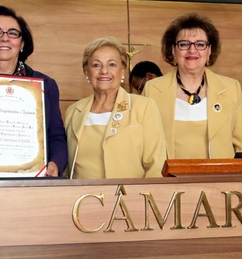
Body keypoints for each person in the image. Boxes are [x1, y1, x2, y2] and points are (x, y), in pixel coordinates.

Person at [142, 12, 242, 159]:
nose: (192, 50)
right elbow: (143, 143)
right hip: (167, 180)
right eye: (184, 44)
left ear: (209, 51)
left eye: (200, 44)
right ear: (173, 50)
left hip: (220, 179)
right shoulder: (152, 90)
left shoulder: (231, 89)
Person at [0, 5, 67, 176]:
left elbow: (56, 137)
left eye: (13, 33)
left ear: (21, 43)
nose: (5, 38)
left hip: (29, 184)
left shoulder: (45, 85)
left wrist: (55, 163)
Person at [65, 38, 166, 179]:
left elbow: (156, 166)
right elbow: (67, 168)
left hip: (130, 199)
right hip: (83, 199)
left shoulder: (144, 107)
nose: (104, 71)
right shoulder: (73, 111)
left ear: (122, 70)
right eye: (96, 65)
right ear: (86, 71)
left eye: (112, 64)